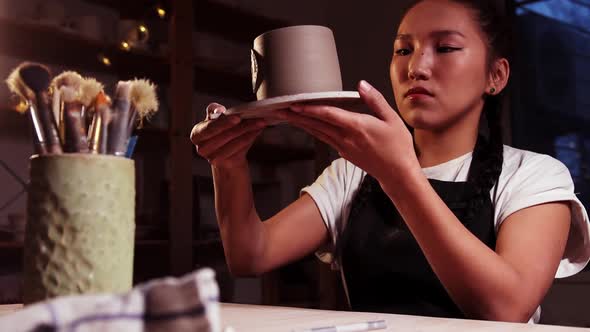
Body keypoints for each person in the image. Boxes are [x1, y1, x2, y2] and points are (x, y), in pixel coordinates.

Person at [190, 0, 590, 323]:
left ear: (496, 76)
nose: (416, 67)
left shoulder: (535, 176)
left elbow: (505, 309)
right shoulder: (353, 171)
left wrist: (399, 176)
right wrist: (228, 164)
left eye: (446, 48)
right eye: (403, 49)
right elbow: (250, 255)